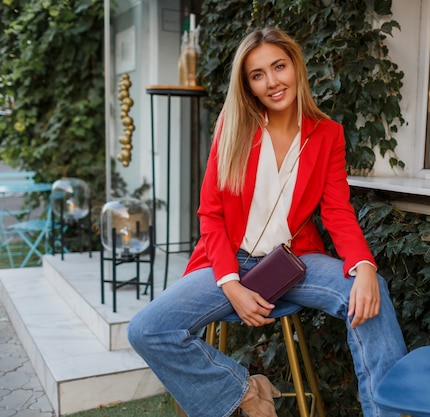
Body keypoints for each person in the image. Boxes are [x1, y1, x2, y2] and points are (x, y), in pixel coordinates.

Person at [128, 27, 407, 417]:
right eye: (258, 75)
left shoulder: (327, 135)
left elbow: (338, 211)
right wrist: (231, 286)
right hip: (225, 262)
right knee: (145, 330)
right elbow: (210, 213)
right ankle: (243, 389)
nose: (272, 82)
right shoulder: (233, 125)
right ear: (248, 85)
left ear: (296, 66)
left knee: (369, 290)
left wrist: (363, 265)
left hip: (293, 263)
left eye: (279, 67)